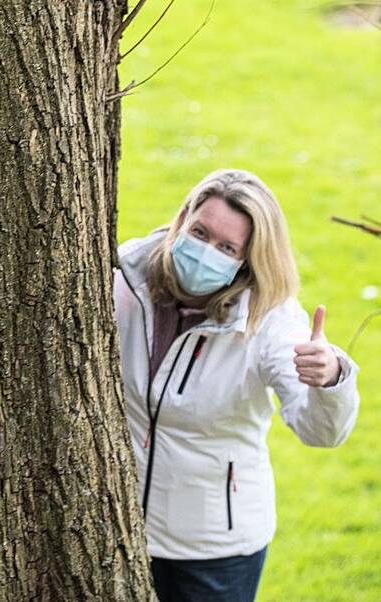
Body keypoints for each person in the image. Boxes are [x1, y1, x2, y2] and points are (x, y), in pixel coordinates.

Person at [114, 169, 361, 601]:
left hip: (216, 548)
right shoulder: (126, 279)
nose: (206, 252)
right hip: (122, 529)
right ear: (182, 219)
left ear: (247, 259)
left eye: (226, 247)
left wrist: (331, 378)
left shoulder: (271, 321)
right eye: (200, 233)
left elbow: (320, 431)